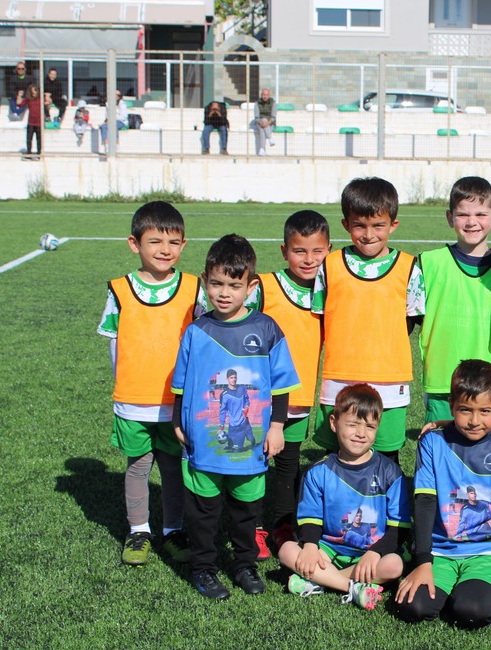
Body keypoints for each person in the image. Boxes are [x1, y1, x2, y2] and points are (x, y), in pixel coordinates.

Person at [172, 234, 300, 600]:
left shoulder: (266, 329)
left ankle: (244, 565)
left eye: (234, 285)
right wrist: (178, 422)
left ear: (251, 286)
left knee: (246, 510)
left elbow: (281, 385)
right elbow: (182, 385)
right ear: (204, 281)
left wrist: (277, 427)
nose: (224, 293)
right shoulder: (196, 331)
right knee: (203, 512)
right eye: (216, 284)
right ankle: (203, 568)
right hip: (203, 444)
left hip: (252, 445)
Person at [97, 201, 205, 566]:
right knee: (138, 466)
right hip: (133, 400)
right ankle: (138, 531)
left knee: (173, 468)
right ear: (134, 243)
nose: (165, 250)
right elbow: (115, 345)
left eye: (173, 242)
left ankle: (173, 530)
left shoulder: (193, 288)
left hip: (176, 403)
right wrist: (123, 388)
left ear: (183, 245)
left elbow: (203, 340)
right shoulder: (119, 290)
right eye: (155, 241)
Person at [395, 360, 491, 628]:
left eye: (485, 411)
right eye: (465, 410)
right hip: (442, 550)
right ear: (451, 405)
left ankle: (486, 595)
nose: (475, 421)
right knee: (412, 607)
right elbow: (425, 502)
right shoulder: (433, 442)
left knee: (471, 611)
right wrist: (423, 561)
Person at [311, 177, 424, 463]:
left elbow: (411, 320)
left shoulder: (409, 267)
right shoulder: (330, 265)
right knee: (336, 455)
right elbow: (319, 318)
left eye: (378, 225)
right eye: (359, 225)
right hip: (339, 377)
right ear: (346, 224)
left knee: (386, 456)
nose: (369, 234)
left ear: (393, 225)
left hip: (389, 380)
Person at [277, 384, 409, 610]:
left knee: (394, 565)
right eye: (352, 424)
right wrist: (310, 547)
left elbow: (400, 527)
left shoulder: (390, 472)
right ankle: (352, 587)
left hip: (372, 552)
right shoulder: (318, 471)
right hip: (328, 549)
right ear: (334, 423)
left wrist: (375, 552)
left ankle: (320, 580)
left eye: (370, 426)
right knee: (287, 551)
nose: (361, 433)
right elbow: (310, 518)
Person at [249, 209, 331, 558]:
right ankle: (251, 526)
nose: (309, 259)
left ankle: (283, 527)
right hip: (256, 401)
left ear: (329, 250)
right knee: (253, 466)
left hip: (298, 399)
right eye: (299, 251)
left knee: (287, 466)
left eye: (317, 251)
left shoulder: (329, 292)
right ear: (284, 251)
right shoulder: (264, 287)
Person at [417, 177, 491, 424]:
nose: (471, 222)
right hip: (443, 383)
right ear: (449, 217)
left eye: (480, 214)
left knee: (486, 447)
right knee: (442, 445)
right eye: (463, 214)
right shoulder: (428, 263)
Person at [19, 85, 42, 158]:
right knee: (29, 138)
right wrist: (19, 96)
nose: (34, 93)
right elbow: (20, 104)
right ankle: (29, 152)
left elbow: (47, 105)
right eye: (32, 91)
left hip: (39, 122)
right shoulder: (28, 99)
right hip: (31, 122)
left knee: (39, 139)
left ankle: (39, 153)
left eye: (35, 90)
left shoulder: (40, 99)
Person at [252, 88, 276, 156]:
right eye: (263, 95)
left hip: (270, 123)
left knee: (262, 129)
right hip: (260, 123)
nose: (265, 96)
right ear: (261, 95)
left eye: (266, 95)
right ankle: (270, 138)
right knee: (263, 122)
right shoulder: (257, 103)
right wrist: (261, 122)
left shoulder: (273, 103)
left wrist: (267, 123)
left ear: (269, 95)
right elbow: (256, 117)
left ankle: (262, 149)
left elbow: (273, 117)